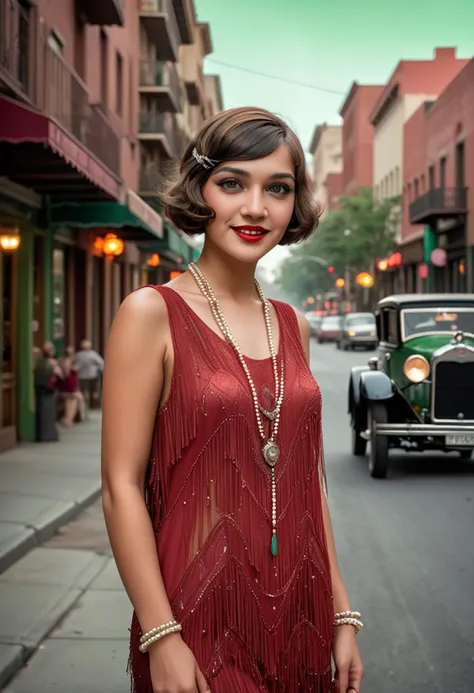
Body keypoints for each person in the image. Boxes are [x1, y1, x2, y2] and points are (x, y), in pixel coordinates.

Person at [101, 107, 364, 693]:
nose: (255, 208)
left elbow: (306, 481)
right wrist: (161, 632)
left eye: (278, 188)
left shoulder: (290, 324)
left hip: (303, 613)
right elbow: (121, 486)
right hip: (196, 620)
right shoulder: (151, 313)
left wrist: (341, 612)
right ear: (200, 191)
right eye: (232, 183)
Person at [34, 341, 62, 442]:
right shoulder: (51, 363)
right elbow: (60, 374)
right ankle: (48, 434)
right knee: (49, 412)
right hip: (49, 390)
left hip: (40, 389)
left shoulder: (39, 362)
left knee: (42, 411)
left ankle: (43, 434)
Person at [58, 346, 86, 426]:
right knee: (74, 399)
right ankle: (69, 419)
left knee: (77, 398)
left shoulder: (64, 361)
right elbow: (66, 374)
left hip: (70, 387)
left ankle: (72, 417)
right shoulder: (67, 362)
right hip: (68, 387)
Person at [75, 339, 104, 409]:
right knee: (94, 391)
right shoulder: (93, 354)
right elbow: (101, 363)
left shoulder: (79, 355)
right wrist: (99, 370)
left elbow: (76, 365)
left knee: (85, 391)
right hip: (91, 375)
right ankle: (94, 405)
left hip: (83, 376)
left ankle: (86, 405)